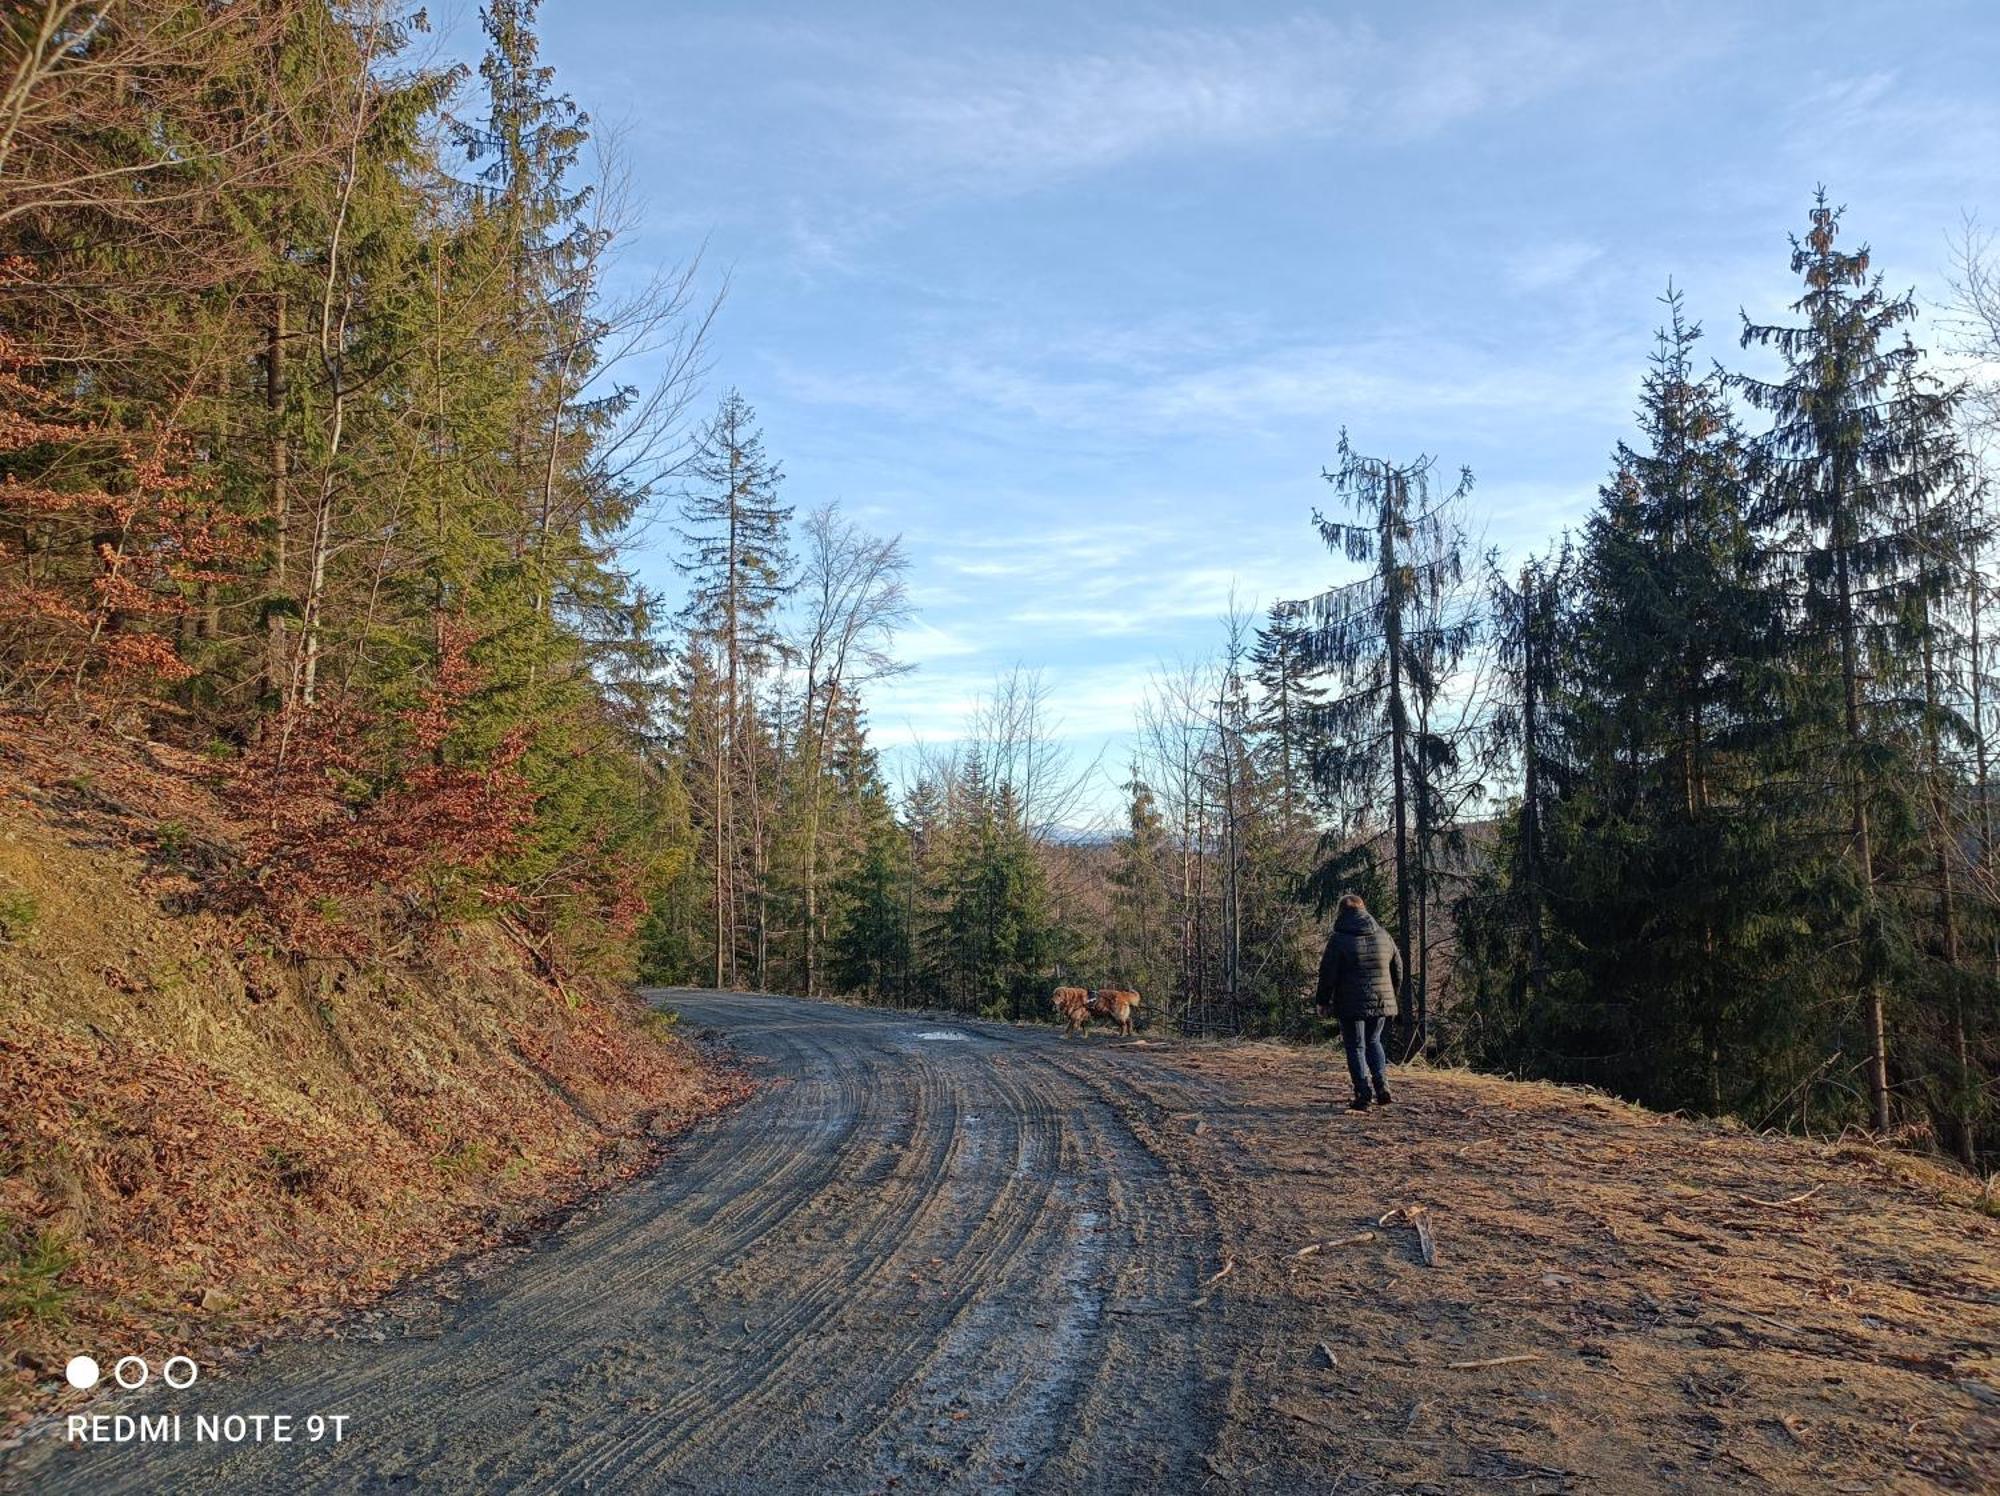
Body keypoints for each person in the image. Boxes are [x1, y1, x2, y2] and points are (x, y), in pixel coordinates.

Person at [1313, 892, 1402, 1112]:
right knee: (1374, 1042)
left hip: (1350, 1003)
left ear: (1341, 912)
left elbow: (1327, 974)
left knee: (1356, 1047)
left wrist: (1322, 1001)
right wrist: (1392, 995)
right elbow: (1397, 968)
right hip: (1381, 1000)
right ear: (1363, 909)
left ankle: (1363, 1093)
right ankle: (1382, 1087)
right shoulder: (1383, 935)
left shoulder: (1339, 939)